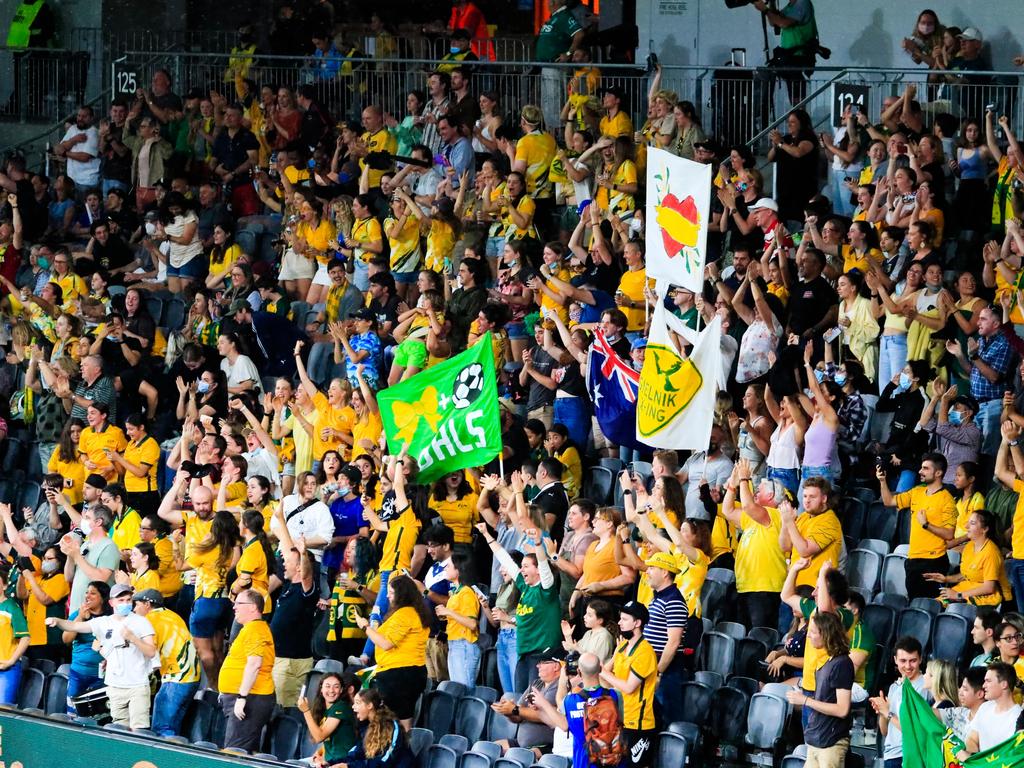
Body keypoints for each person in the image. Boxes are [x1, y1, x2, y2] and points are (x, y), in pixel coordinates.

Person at [47, 583, 156, 730]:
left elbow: (151, 652)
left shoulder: (141, 622)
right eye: (121, 600)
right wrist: (57, 621)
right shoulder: (104, 622)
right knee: (118, 729)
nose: (126, 603)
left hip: (137, 685)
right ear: (111, 602)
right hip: (115, 686)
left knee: (139, 730)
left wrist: (133, 638)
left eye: (128, 600)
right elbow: (74, 627)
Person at [483, 524, 562, 693]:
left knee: (534, 702)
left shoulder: (545, 590)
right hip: (524, 654)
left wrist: (538, 543)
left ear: (538, 571)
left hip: (542, 656)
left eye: (526, 566)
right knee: (518, 699)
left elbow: (543, 563)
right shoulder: (525, 589)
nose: (521, 569)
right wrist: (486, 534)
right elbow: (504, 558)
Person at [354, 574, 430, 730]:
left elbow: (386, 643)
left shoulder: (405, 614)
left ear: (402, 594)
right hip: (406, 672)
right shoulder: (410, 612)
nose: (387, 595)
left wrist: (365, 627)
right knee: (403, 719)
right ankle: (400, 748)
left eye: (391, 592)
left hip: (400, 675)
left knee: (394, 722)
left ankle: (395, 750)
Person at [877, 452, 956, 599]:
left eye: (925, 468)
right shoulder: (917, 491)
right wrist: (882, 481)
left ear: (938, 473)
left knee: (928, 605)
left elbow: (950, 534)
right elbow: (889, 502)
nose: (920, 471)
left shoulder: (947, 500)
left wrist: (926, 525)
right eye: (921, 467)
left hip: (934, 562)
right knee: (913, 603)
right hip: (913, 560)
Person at [131, 589, 201, 737]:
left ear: (148, 604)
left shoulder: (151, 620)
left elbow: (149, 651)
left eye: (137, 605)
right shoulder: (171, 614)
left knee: (162, 729)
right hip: (191, 677)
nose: (134, 609)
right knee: (173, 727)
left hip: (176, 677)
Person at [788, 610, 853, 767]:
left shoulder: (842, 664)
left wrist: (805, 700)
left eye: (812, 632)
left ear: (825, 634)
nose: (808, 636)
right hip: (816, 740)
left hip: (830, 744)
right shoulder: (826, 662)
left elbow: (842, 709)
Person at [598, 601, 658, 768]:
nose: (619, 622)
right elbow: (607, 678)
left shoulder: (645, 652)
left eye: (624, 619)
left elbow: (629, 687)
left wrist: (604, 672)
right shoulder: (623, 645)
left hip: (638, 723)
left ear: (637, 623)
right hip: (619, 719)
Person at [218, 588, 276, 752]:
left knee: (235, 752)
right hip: (245, 697)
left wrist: (242, 697)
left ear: (252, 607)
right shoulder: (250, 629)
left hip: (251, 698)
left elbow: (254, 663)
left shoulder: (255, 630)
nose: (234, 607)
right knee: (241, 749)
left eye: (238, 603)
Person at [869, 636, 929, 768]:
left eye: (912, 661)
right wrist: (882, 712)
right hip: (891, 755)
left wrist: (888, 713)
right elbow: (885, 732)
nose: (908, 666)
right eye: (903, 661)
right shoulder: (894, 687)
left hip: (911, 755)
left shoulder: (925, 687)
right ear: (895, 660)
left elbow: (915, 729)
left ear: (920, 659)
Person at [335, 687, 414, 767]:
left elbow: (385, 761)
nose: (353, 706)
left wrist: (350, 766)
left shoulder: (392, 727)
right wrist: (332, 763)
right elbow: (356, 753)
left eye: (357, 703)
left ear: (369, 705)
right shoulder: (366, 727)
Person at [960, 663, 1022, 758]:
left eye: (988, 681)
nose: (984, 685)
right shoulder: (985, 707)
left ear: (1004, 684)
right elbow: (972, 738)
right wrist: (975, 759)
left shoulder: (1017, 718)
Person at [299, 672, 358, 764]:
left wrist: (306, 711)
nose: (331, 690)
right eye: (327, 686)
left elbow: (319, 737)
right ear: (321, 689)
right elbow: (318, 738)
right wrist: (320, 752)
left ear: (341, 690)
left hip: (342, 762)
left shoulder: (341, 707)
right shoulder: (325, 708)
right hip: (328, 760)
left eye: (336, 686)